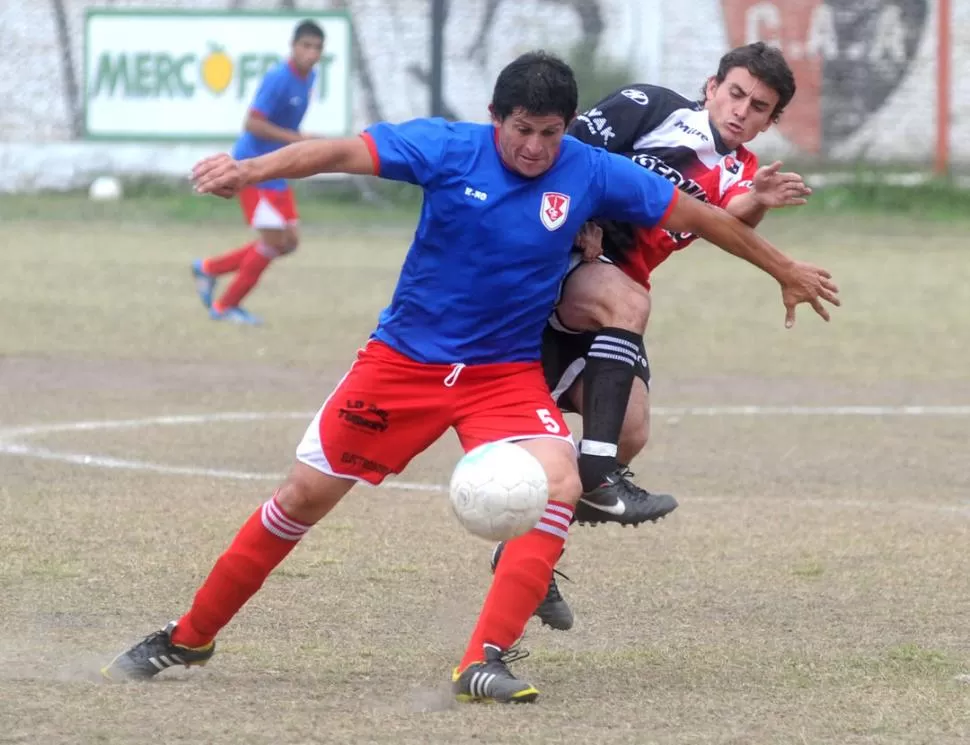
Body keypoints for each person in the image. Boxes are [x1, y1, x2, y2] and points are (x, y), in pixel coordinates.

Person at [101, 50, 838, 703]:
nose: (535, 147)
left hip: (502, 374)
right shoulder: (446, 147)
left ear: (568, 127)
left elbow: (702, 217)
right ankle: (191, 633)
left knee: (560, 479)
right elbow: (341, 152)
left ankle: (483, 658)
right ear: (496, 119)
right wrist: (250, 169)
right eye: (522, 129)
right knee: (300, 499)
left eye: (551, 132)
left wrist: (786, 270)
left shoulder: (588, 169)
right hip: (402, 365)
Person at [495, 42, 832, 631]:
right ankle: (594, 472)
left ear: (769, 121)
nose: (741, 110)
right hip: (562, 267)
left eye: (758, 107)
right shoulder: (647, 107)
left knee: (632, 429)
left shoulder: (743, 172)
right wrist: (585, 223)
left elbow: (723, 223)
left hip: (612, 293)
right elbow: (569, 156)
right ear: (710, 86)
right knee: (627, 301)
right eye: (735, 94)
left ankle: (529, 549)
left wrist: (758, 204)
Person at [190, 20, 325, 325]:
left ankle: (209, 268)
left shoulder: (310, 77)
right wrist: (297, 140)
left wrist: (300, 140)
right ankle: (225, 306)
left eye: (317, 48)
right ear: (293, 47)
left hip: (276, 168)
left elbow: (285, 127)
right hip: (252, 168)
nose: (311, 53)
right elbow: (252, 124)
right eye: (305, 46)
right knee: (273, 241)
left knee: (288, 242)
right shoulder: (279, 77)